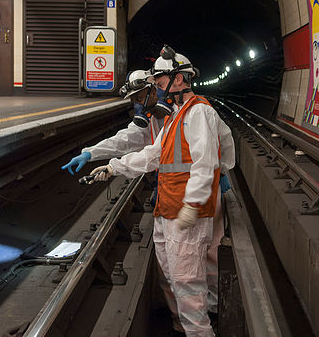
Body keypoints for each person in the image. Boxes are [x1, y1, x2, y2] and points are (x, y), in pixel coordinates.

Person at [88, 47, 234, 337]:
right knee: (172, 278)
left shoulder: (199, 113)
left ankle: (200, 330)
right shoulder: (175, 117)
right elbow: (153, 155)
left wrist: (193, 204)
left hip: (185, 214)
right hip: (167, 210)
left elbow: (205, 163)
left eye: (160, 80)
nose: (156, 86)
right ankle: (184, 328)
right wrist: (113, 167)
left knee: (188, 287)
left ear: (179, 79)